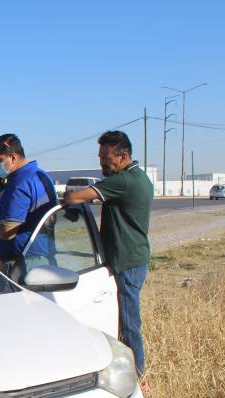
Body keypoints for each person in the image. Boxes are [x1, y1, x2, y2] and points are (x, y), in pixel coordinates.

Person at [64, 130, 153, 378]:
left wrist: (70, 198)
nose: (102, 161)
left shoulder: (124, 181)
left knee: (129, 323)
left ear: (123, 156)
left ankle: (137, 374)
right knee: (124, 319)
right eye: (100, 156)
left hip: (127, 262)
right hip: (132, 259)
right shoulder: (138, 177)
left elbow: (74, 196)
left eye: (106, 156)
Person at [0, 134, 57, 276]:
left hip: (22, 265)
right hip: (41, 258)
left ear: (13, 157)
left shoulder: (19, 184)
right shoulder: (40, 175)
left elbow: (7, 232)